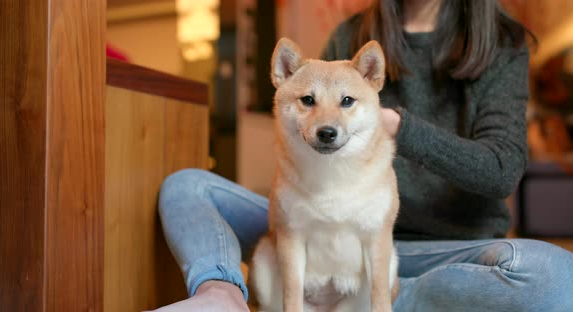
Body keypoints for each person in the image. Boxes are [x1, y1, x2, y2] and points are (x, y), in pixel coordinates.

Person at [152, 0, 573, 311]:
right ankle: (221, 294)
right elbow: (316, 107)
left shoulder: (501, 43)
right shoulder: (354, 32)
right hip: (318, 220)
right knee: (187, 186)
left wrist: (396, 127)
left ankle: (391, 297)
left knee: (556, 278)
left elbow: (501, 170)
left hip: (439, 249)